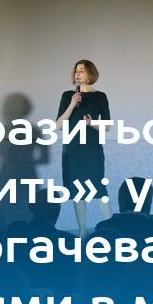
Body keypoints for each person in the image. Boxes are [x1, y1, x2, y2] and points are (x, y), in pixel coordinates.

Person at [56, 59, 113, 237]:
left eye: (81, 70)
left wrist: (91, 123)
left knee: (99, 188)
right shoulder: (68, 96)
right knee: (77, 191)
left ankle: (112, 228)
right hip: (72, 150)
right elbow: (59, 125)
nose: (77, 73)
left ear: (90, 74)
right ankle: (82, 231)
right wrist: (72, 104)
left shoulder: (100, 97)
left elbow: (107, 126)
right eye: (76, 70)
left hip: (92, 149)